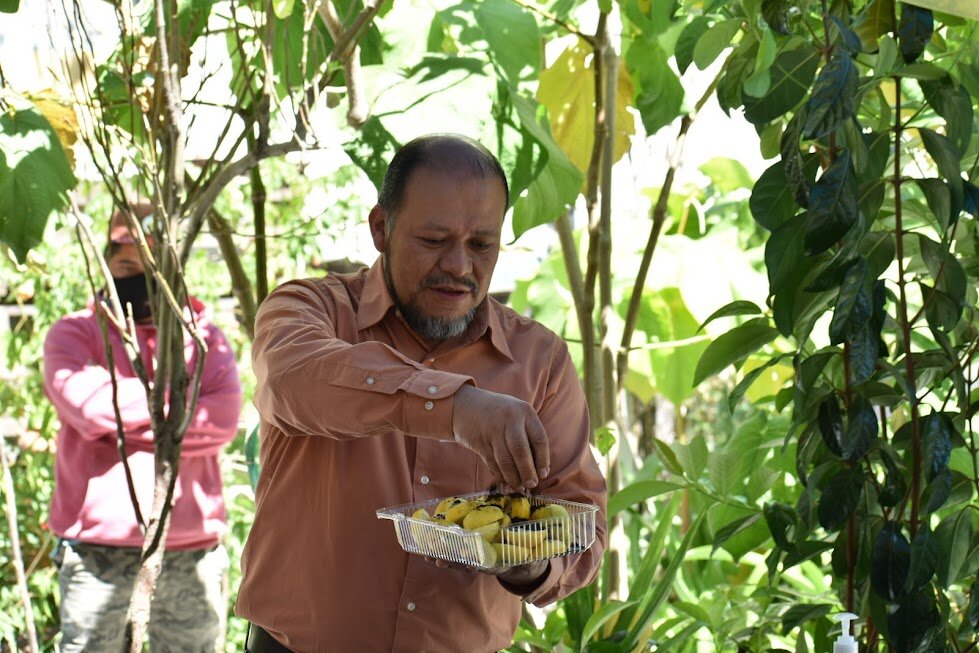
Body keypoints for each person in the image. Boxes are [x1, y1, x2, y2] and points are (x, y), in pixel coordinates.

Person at [236, 134, 607, 652]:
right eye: (434, 240)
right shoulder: (309, 310)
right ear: (381, 229)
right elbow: (291, 380)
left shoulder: (540, 360)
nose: (459, 266)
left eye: (481, 244)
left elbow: (581, 521)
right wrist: (453, 407)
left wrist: (533, 563)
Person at [43, 204, 243, 652]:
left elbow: (224, 418)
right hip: (99, 551)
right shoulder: (74, 333)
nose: (138, 279)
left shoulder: (204, 338)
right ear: (107, 264)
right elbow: (90, 407)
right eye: (127, 265)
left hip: (191, 548)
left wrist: (122, 424)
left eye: (151, 266)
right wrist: (181, 408)